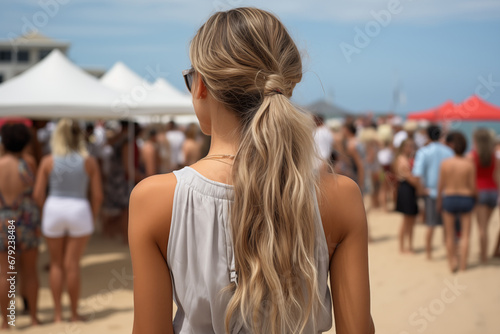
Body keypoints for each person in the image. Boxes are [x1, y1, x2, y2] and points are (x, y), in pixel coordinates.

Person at [129, 7, 374, 334]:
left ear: (201, 85)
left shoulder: (155, 199)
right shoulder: (340, 196)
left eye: (190, 78)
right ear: (286, 86)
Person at [33, 119, 103, 323]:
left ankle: (56, 315)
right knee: (72, 265)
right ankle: (73, 314)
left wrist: (43, 213)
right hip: (79, 209)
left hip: (54, 208)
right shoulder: (89, 161)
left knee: (56, 265)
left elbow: (38, 195)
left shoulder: (48, 161)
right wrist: (93, 216)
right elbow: (97, 195)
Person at [0, 123, 40, 328]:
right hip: (25, 220)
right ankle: (33, 317)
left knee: (5, 273)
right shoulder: (28, 162)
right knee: (30, 271)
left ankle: (6, 321)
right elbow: (35, 193)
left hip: (3, 221)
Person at [412, 124, 453, 260]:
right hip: (447, 193)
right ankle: (449, 252)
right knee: (448, 226)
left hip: (431, 193)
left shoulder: (423, 152)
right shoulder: (448, 151)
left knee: (430, 224)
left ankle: (429, 253)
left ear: (427, 135)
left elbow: (417, 174)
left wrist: (421, 190)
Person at [436, 131, 475, 272]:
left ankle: (452, 262)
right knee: (465, 235)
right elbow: (472, 186)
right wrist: (475, 199)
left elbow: (441, 185)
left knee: (450, 234)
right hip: (466, 197)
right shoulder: (469, 164)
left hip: (450, 198)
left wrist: (439, 201)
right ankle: (463, 265)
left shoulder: (445, 163)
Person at [468, 128, 500, 264]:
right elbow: (497, 176)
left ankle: (483, 256)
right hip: (493, 191)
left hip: (479, 191)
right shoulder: (494, 156)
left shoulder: (472, 156)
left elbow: (470, 177)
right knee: (485, 226)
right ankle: (485, 253)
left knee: (482, 228)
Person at [394, 138, 419, 254]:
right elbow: (409, 177)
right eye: (409, 146)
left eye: (412, 146)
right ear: (404, 147)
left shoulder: (408, 159)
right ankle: (402, 247)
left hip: (409, 189)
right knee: (406, 220)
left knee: (411, 220)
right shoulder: (402, 160)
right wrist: (422, 188)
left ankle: (409, 245)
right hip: (406, 189)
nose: (411, 149)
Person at [336, 121, 365, 190]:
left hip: (353, 177)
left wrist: (360, 183)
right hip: (357, 176)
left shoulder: (351, 145)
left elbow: (359, 165)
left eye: (342, 129)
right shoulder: (357, 141)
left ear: (347, 130)